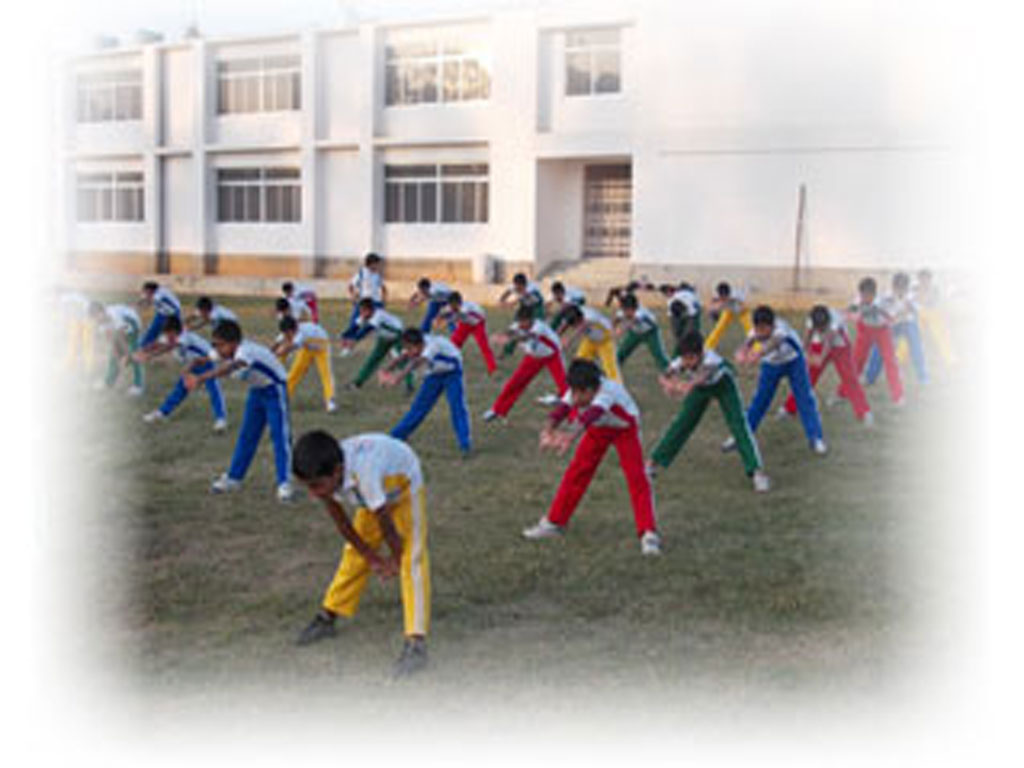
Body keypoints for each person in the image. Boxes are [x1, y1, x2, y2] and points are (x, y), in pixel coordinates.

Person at [291, 429, 430, 679]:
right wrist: (372, 558)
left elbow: (386, 523)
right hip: (372, 499)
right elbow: (343, 524)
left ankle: (416, 642)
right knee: (354, 555)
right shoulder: (326, 474)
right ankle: (328, 615)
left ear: (336, 472)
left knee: (413, 557)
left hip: (404, 485)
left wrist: (395, 561)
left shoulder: (365, 473)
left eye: (316, 486)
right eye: (308, 487)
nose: (313, 494)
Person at [522, 359, 661, 556]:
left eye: (581, 394)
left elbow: (589, 416)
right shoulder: (579, 388)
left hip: (624, 429)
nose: (576, 398)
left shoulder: (607, 392)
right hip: (599, 428)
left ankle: (649, 534)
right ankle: (555, 523)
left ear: (592, 390)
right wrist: (547, 431)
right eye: (574, 392)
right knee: (577, 472)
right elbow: (561, 410)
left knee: (636, 477)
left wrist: (569, 436)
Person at [184, 319, 295, 502]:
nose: (216, 349)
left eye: (219, 345)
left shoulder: (245, 352)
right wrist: (187, 371)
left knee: (280, 436)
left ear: (233, 343)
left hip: (274, 389)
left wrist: (202, 378)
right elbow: (200, 359)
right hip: (257, 391)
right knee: (247, 435)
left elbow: (232, 367)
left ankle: (284, 482)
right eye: (214, 345)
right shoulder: (224, 350)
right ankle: (234, 478)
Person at [647, 331, 770, 492]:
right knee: (681, 424)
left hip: (724, 386)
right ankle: (652, 463)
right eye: (684, 357)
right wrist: (667, 385)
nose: (687, 362)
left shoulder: (711, 361)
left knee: (738, 425)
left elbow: (698, 380)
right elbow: (664, 375)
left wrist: (681, 386)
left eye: (691, 358)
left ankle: (757, 473)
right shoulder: (682, 361)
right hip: (701, 388)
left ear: (701, 353)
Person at [729, 305, 827, 455]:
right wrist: (741, 352)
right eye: (758, 328)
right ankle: (741, 437)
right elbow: (748, 342)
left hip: (794, 361)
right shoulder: (755, 332)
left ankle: (816, 439)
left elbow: (772, 344)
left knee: (805, 398)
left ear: (772, 325)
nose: (760, 332)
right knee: (760, 401)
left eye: (764, 328)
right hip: (772, 365)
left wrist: (757, 354)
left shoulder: (781, 330)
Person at [381, 328, 472, 456]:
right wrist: (386, 369)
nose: (408, 351)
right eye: (406, 347)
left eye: (410, 348)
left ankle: (465, 444)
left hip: (452, 373)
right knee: (419, 407)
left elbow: (416, 363)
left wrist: (398, 378)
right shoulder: (415, 343)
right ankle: (396, 436)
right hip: (434, 374)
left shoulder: (432, 346)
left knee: (457, 407)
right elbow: (403, 356)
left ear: (419, 344)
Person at [782, 305, 873, 425]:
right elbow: (807, 339)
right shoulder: (811, 320)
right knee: (807, 378)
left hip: (840, 346)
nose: (820, 330)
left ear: (827, 322)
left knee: (850, 378)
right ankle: (789, 409)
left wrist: (820, 358)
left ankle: (864, 412)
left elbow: (829, 342)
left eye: (822, 328)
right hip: (819, 344)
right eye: (818, 328)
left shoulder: (836, 319)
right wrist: (805, 355)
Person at [135, 314, 227, 431]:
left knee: (213, 389)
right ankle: (162, 413)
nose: (166, 336)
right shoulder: (171, 336)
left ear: (175, 331)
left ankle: (221, 419)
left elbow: (169, 347)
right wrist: (143, 350)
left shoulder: (184, 336)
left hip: (205, 361)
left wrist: (150, 356)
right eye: (166, 334)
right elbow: (158, 343)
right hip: (192, 362)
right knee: (180, 389)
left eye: (169, 334)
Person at [483, 306, 568, 422]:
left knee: (564, 385)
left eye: (524, 321)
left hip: (552, 354)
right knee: (514, 383)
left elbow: (526, 336)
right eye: (519, 321)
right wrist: (501, 335)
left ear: (531, 319)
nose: (521, 324)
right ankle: (497, 410)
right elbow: (510, 331)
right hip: (533, 356)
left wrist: (511, 339)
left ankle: (572, 414)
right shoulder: (518, 324)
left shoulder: (539, 327)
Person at [846, 277, 904, 405]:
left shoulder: (884, 301)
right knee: (856, 360)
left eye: (866, 295)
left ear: (873, 294)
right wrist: (854, 313)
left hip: (882, 330)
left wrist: (883, 312)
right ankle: (845, 392)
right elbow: (850, 313)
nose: (863, 297)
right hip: (865, 329)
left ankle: (898, 396)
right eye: (862, 294)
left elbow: (893, 316)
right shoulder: (858, 300)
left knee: (890, 361)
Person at [865, 272, 928, 387]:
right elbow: (876, 311)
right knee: (878, 349)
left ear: (907, 287)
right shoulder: (885, 297)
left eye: (904, 288)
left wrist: (911, 308)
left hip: (908, 323)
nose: (901, 291)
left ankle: (923, 378)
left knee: (916, 347)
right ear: (894, 286)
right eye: (898, 288)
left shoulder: (911, 296)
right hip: (890, 325)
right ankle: (870, 378)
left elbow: (918, 309)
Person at [346, 298, 414, 393]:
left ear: (370, 310)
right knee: (372, 360)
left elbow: (368, 329)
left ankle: (409, 384)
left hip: (398, 336)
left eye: (363, 311)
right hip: (383, 338)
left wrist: (355, 340)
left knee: (400, 360)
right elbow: (355, 327)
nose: (361, 313)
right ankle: (358, 383)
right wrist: (345, 335)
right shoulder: (365, 316)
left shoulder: (378, 315)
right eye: (360, 310)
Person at [272, 316, 337, 413]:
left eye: (287, 334)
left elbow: (287, 348)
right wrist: (269, 352)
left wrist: (275, 354)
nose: (286, 336)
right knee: (295, 372)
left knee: (325, 374)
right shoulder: (289, 330)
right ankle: (283, 398)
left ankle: (330, 401)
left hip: (321, 347)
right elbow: (277, 343)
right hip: (307, 347)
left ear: (292, 330)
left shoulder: (300, 334)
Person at [88, 300, 144, 396]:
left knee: (133, 353)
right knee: (113, 355)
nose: (97, 319)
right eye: (94, 318)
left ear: (102, 311)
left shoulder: (114, 314)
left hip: (132, 323)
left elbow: (121, 338)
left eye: (97, 315)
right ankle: (109, 382)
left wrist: (126, 358)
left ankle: (138, 386)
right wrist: (118, 359)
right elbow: (112, 343)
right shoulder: (101, 324)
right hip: (120, 331)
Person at [559, 304, 622, 383]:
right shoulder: (574, 314)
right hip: (590, 339)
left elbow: (583, 326)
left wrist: (569, 340)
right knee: (579, 362)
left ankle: (617, 388)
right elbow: (565, 325)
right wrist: (555, 335)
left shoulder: (589, 316)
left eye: (575, 324)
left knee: (610, 369)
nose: (574, 327)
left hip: (605, 340)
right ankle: (584, 383)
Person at [340, 252, 387, 353]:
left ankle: (386, 345)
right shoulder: (361, 273)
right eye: (377, 263)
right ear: (370, 263)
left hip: (376, 303)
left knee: (380, 324)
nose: (378, 266)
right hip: (363, 302)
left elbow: (383, 288)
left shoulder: (377, 275)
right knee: (355, 323)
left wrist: (383, 301)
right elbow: (351, 286)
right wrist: (353, 297)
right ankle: (347, 346)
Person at [441, 292, 497, 375]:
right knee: (454, 344)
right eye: (450, 304)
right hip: (465, 323)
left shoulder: (465, 309)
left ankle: (492, 367)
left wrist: (446, 320)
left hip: (477, 324)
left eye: (452, 305)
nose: (451, 307)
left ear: (457, 303)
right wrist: (440, 318)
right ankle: (447, 364)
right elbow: (445, 314)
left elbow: (458, 316)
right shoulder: (451, 307)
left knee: (484, 346)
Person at [613, 292, 671, 373]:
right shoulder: (623, 311)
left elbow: (633, 321)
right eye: (624, 309)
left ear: (634, 307)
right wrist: (612, 328)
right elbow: (616, 320)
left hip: (650, 333)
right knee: (621, 352)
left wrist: (621, 330)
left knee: (658, 354)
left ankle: (669, 371)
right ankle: (612, 370)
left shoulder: (641, 311)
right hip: (635, 332)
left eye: (628, 310)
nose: (626, 312)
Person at [913, 268, 957, 367]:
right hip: (918, 313)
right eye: (922, 278)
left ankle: (950, 358)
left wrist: (923, 297)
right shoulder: (915, 288)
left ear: (930, 279)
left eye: (926, 279)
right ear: (919, 279)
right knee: (912, 332)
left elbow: (933, 302)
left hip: (932, 313)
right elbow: (913, 302)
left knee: (941, 334)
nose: (924, 281)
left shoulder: (934, 289)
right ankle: (900, 357)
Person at [498, 273, 545, 357]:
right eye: (516, 286)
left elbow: (519, 298)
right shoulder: (514, 286)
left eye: (519, 287)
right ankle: (507, 350)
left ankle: (537, 348)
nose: (517, 288)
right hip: (525, 306)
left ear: (524, 284)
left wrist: (510, 304)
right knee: (515, 326)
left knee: (537, 328)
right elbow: (506, 293)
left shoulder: (531, 288)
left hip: (537, 307)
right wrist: (502, 300)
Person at [704, 281, 753, 352]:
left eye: (725, 297)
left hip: (742, 311)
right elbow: (710, 307)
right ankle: (708, 346)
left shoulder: (737, 295)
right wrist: (713, 310)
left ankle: (757, 347)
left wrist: (731, 302)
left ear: (729, 294)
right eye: (721, 297)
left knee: (750, 329)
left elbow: (744, 307)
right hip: (728, 310)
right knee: (719, 328)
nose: (723, 298)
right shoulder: (716, 295)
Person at [138, 281, 183, 348]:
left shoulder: (159, 293)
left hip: (173, 313)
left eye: (145, 291)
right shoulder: (157, 292)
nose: (145, 294)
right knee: (152, 330)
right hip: (162, 312)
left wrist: (142, 302)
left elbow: (150, 301)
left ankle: (174, 342)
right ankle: (144, 344)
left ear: (149, 290)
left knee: (171, 332)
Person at [660, 281, 702, 350]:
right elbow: (672, 321)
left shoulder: (691, 303)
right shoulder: (671, 302)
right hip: (678, 311)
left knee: (691, 333)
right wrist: (677, 334)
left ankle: (694, 348)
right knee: (677, 332)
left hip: (692, 312)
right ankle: (681, 349)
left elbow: (695, 317)